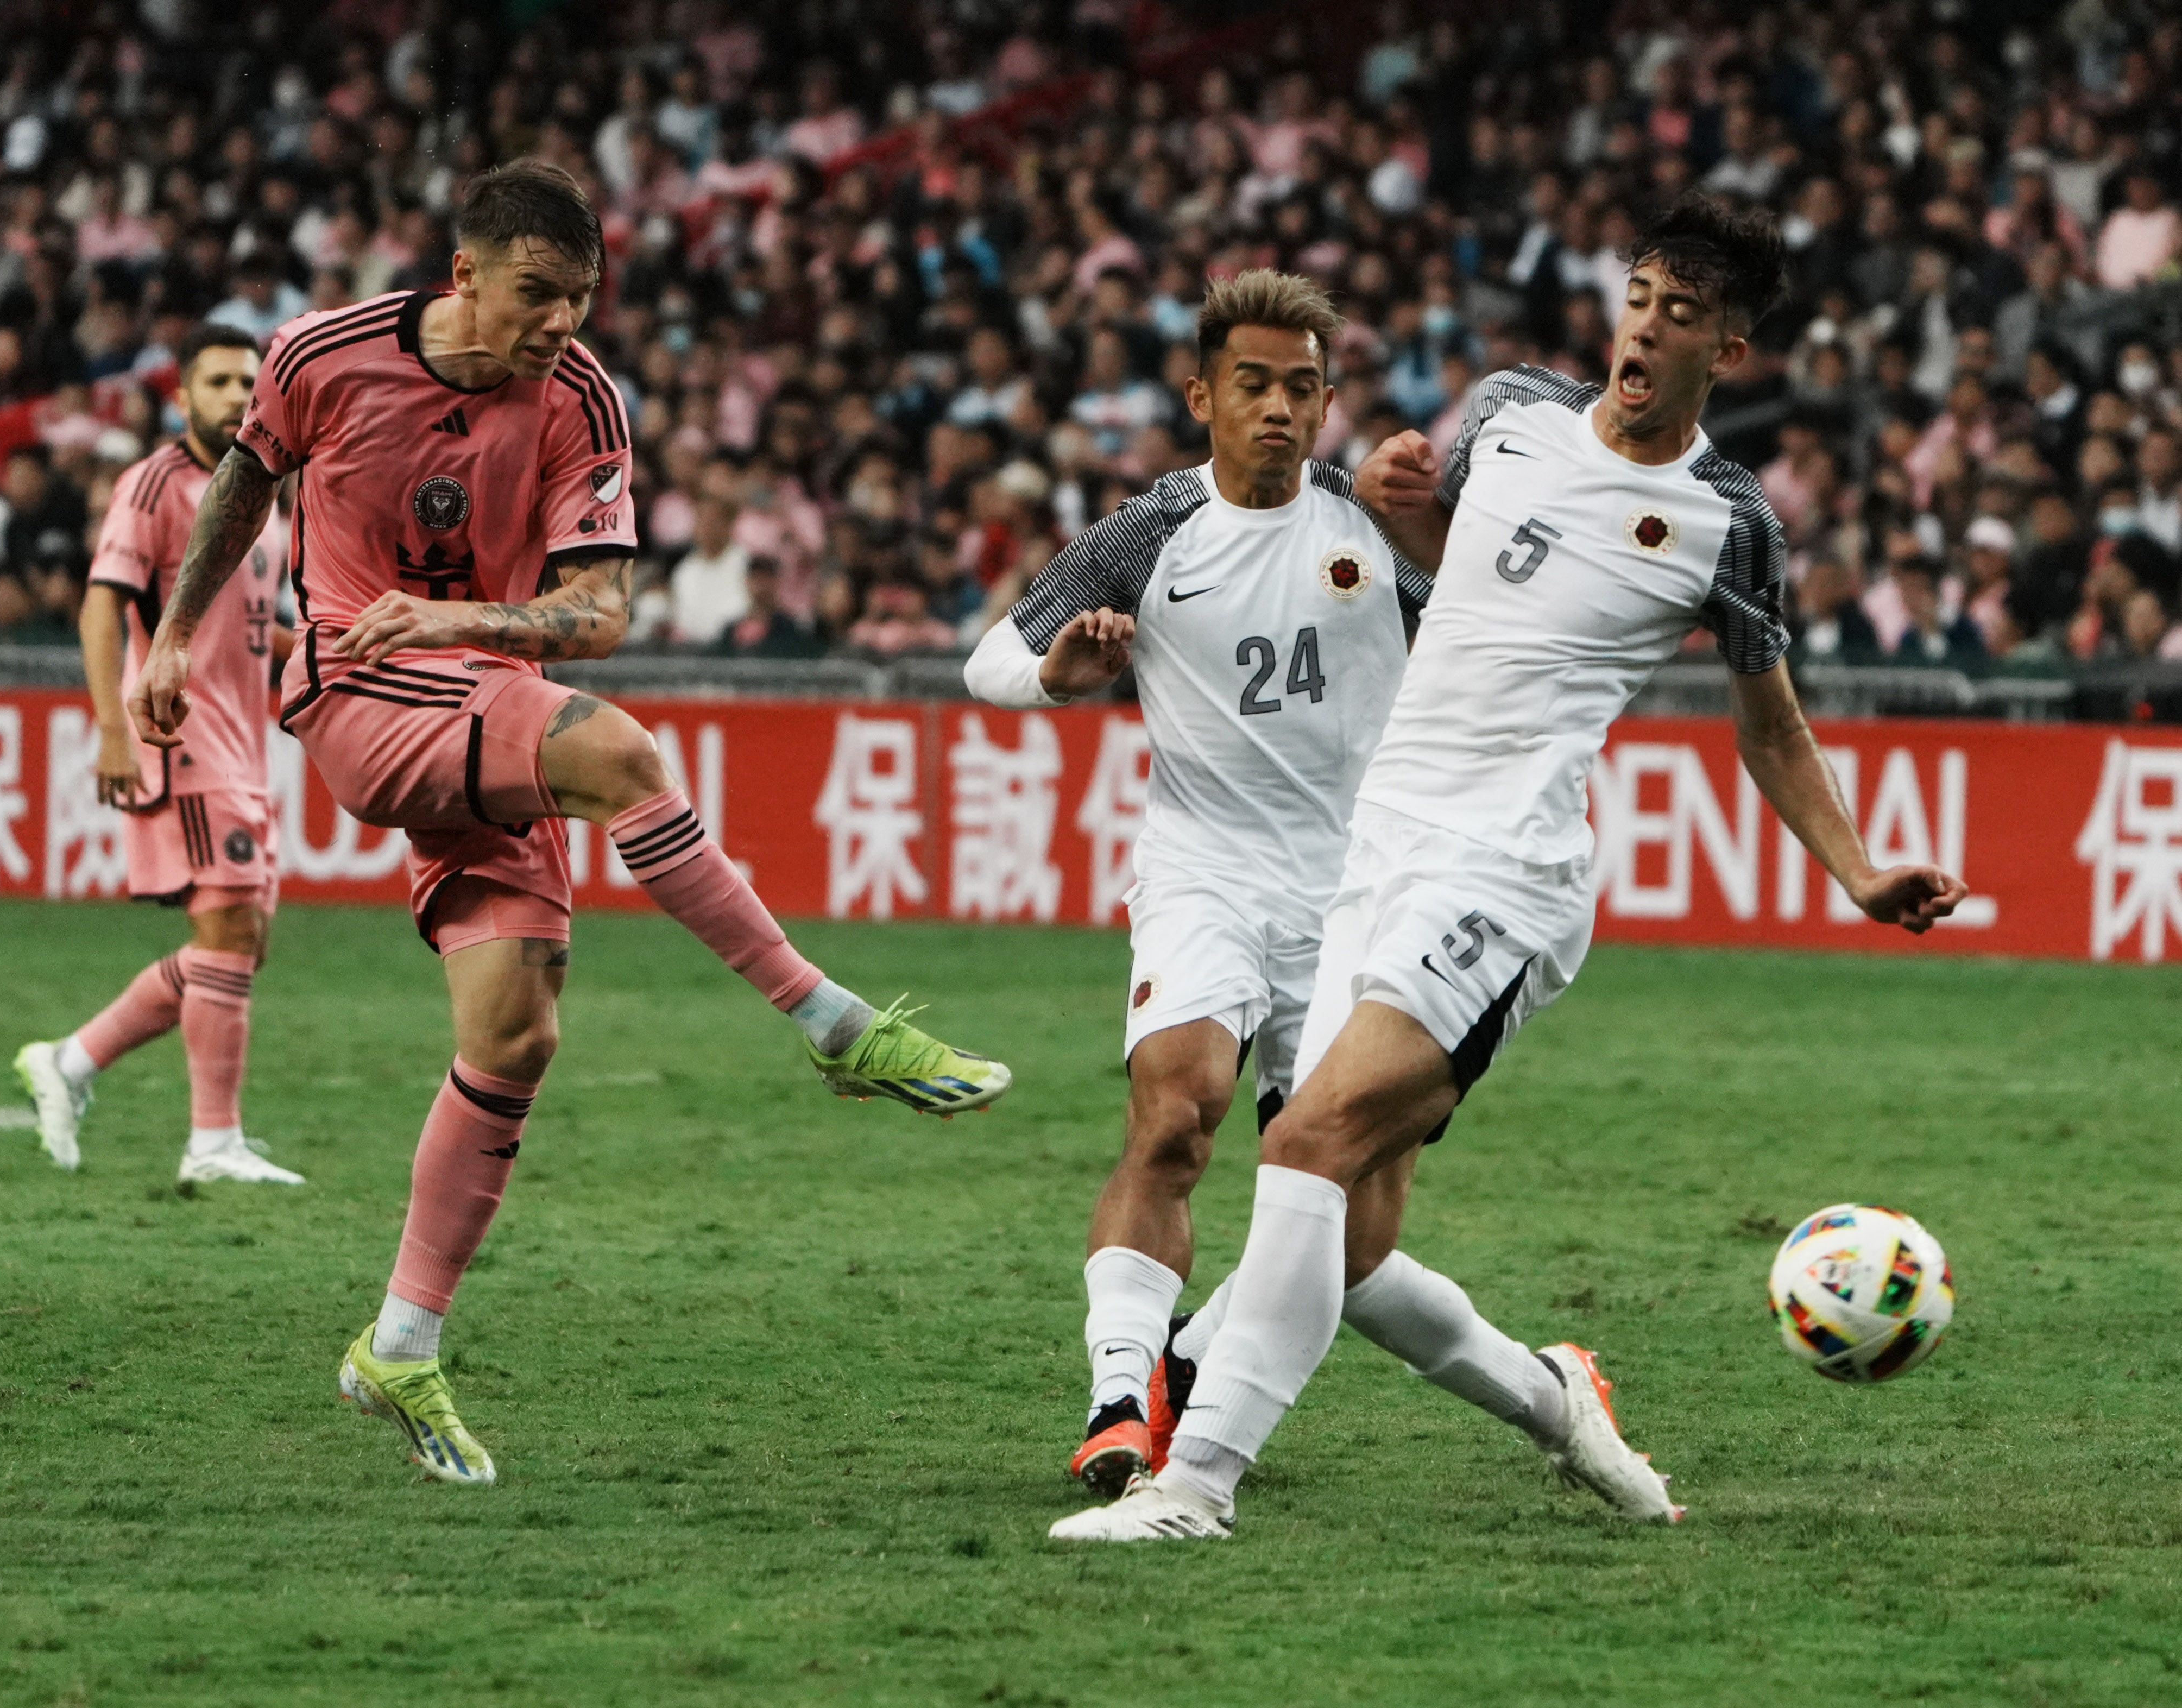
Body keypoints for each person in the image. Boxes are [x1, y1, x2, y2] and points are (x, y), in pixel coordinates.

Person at [1053, 198, 1966, 1543]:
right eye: (1640, 296)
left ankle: (1191, 1486)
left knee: (1299, 1143)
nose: (1645, 327)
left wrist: (1854, 870)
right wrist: (1405, 513)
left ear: (1729, 348)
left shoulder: (1725, 521)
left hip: (1504, 875)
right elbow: (1470, 581)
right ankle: (1558, 1401)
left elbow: (1766, 720)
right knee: (1348, 1251)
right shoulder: (1507, 412)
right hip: (1381, 849)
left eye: (1681, 314)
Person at [125, 162, 1010, 1488]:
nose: (558, 323)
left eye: (580, 299)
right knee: (622, 753)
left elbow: (597, 613)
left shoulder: (581, 397)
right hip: (357, 689)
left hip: (477, 686)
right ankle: (831, 1023)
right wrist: (178, 639)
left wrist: (466, 619)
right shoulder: (319, 355)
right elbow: (245, 490)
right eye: (536, 295)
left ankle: (401, 1343)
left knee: (516, 1034)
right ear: (463, 273)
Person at [972, 268, 1615, 1507]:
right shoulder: (1151, 531)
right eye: (1252, 384)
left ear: (1327, 401)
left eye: (1302, 387)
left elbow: (1491, 647)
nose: (1278, 408)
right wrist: (1062, 673)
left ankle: (1520, 1388)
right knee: (1175, 1115)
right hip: (1202, 868)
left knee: (1343, 1230)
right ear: (1200, 392)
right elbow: (990, 659)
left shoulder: (1371, 528)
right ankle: (1123, 1400)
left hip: (1360, 898)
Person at [13, 323, 301, 1185]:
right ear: (182, 396)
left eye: (246, 381)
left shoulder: (264, 497)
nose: (233, 395)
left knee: (241, 945)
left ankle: (71, 1061)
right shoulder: (157, 484)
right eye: (215, 381)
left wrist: (330, 653)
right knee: (228, 930)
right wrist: (111, 728)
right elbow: (103, 608)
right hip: (180, 737)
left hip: (242, 746)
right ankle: (212, 1143)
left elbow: (250, 628)